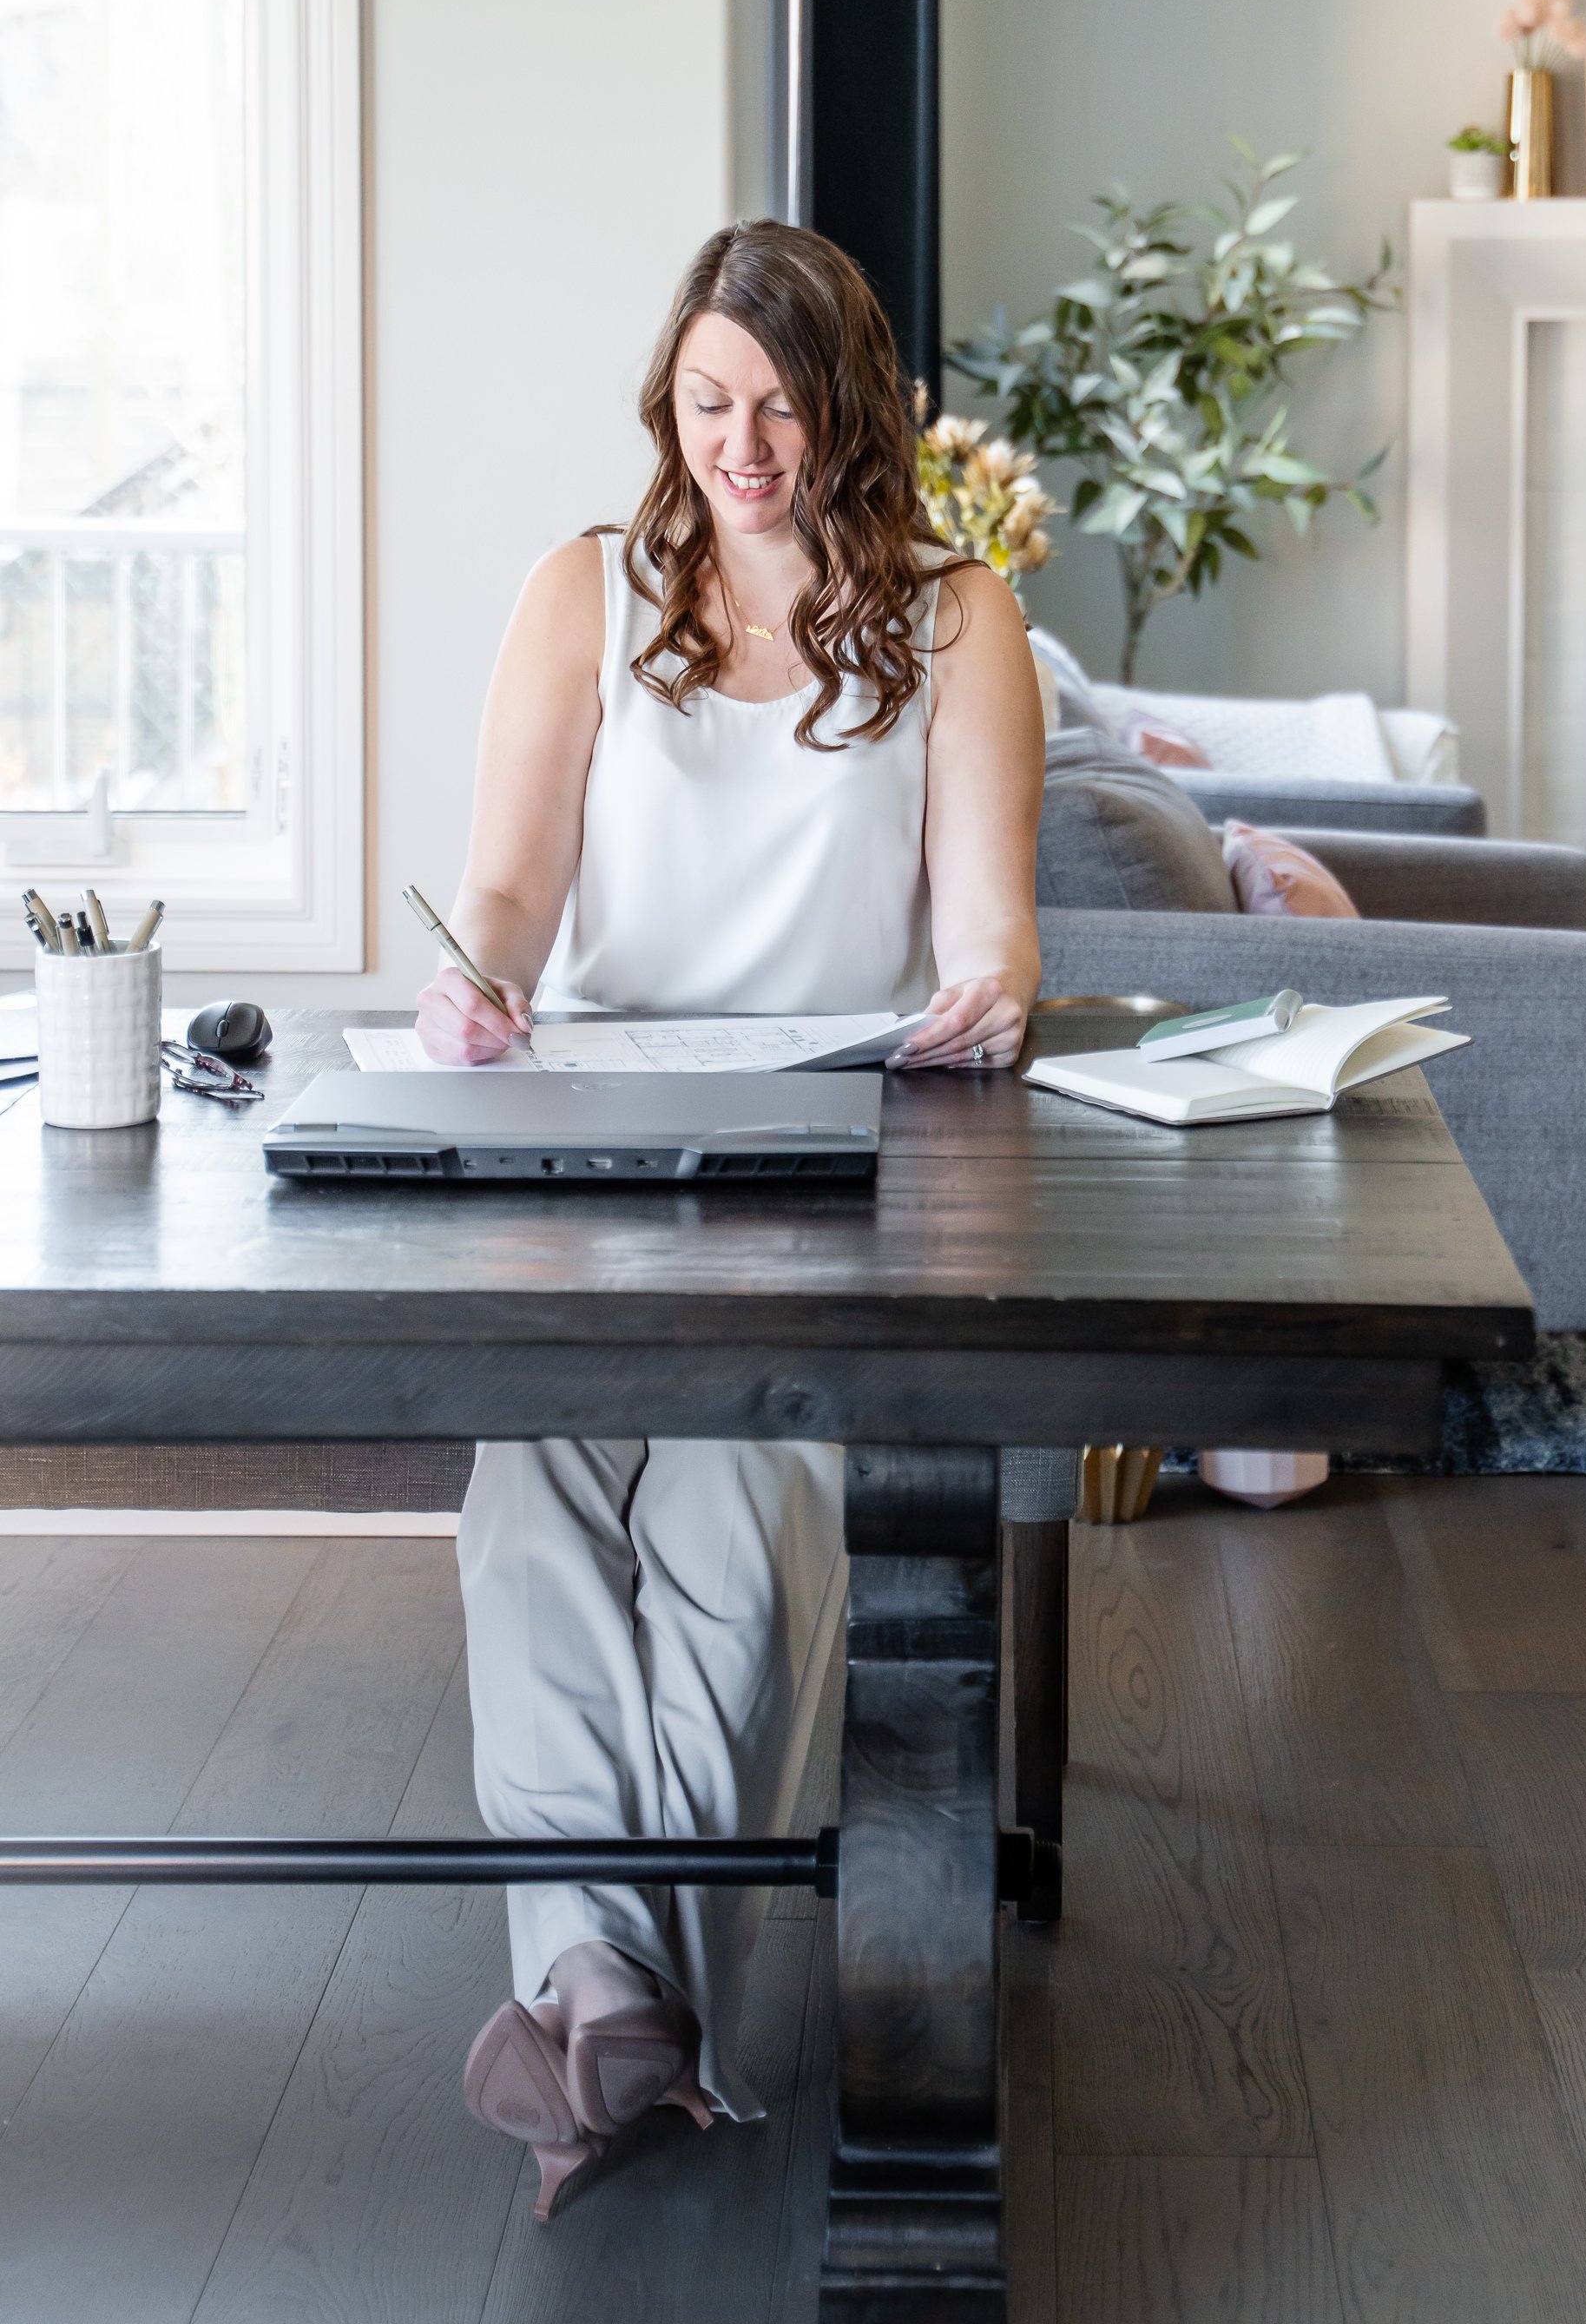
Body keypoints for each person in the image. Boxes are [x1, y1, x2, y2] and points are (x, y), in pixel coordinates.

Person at [419, 220, 1043, 2216]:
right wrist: (483, 980)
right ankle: (627, 2014)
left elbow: (992, 931)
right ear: (666, 405)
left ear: (851, 409)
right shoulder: (582, 593)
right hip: (592, 1146)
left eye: (779, 404)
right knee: (530, 1509)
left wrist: (993, 995)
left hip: (827, 1165)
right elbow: (509, 887)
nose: (742, 443)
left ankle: (597, 2007)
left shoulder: (959, 618)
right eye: (706, 403)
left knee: (738, 1531)